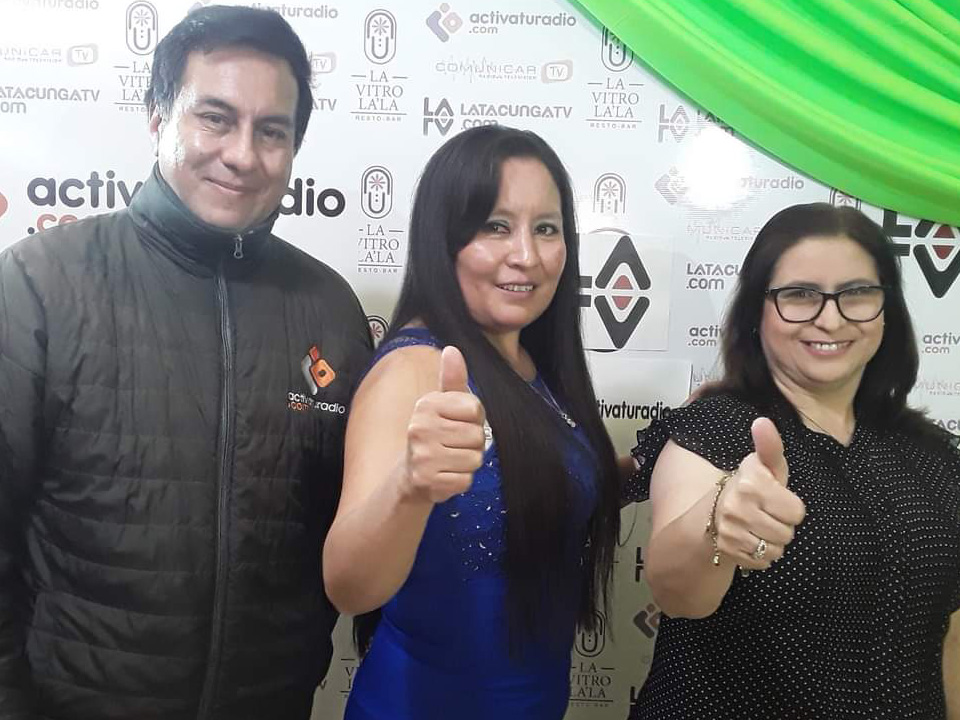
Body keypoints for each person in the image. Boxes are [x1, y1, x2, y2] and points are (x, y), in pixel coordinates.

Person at [0, 6, 371, 719]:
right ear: (157, 117)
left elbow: (344, 540)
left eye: (272, 131)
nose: (242, 154)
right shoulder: (40, 283)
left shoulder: (328, 309)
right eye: (215, 118)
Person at [322, 125, 622, 718]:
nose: (527, 255)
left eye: (546, 228)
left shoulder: (532, 362)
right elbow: (348, 586)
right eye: (495, 226)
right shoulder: (415, 369)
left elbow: (529, 486)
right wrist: (410, 486)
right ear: (444, 240)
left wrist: (663, 463)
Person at [624, 202, 960, 719]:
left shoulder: (934, 456)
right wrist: (717, 522)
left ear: (886, 309)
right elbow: (678, 593)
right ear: (756, 313)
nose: (831, 318)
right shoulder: (718, 428)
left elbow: (950, 641)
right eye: (800, 295)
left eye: (856, 293)